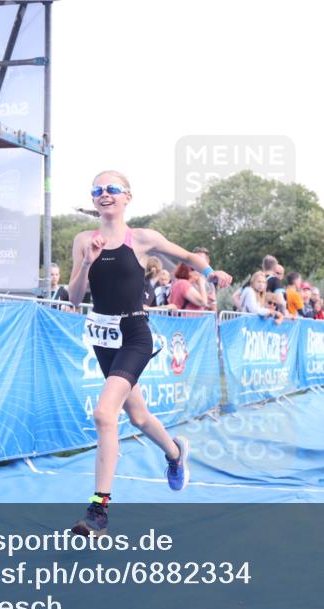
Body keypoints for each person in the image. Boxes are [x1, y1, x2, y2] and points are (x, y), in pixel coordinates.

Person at [66, 170, 231, 535]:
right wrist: (89, 263)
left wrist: (212, 271)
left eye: (112, 189)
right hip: (101, 336)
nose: (103, 194)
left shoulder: (141, 238)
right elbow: (75, 298)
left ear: (127, 197)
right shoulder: (83, 240)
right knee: (138, 416)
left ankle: (99, 511)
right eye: (97, 190)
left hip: (134, 335)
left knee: (104, 413)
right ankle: (175, 453)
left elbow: (186, 254)